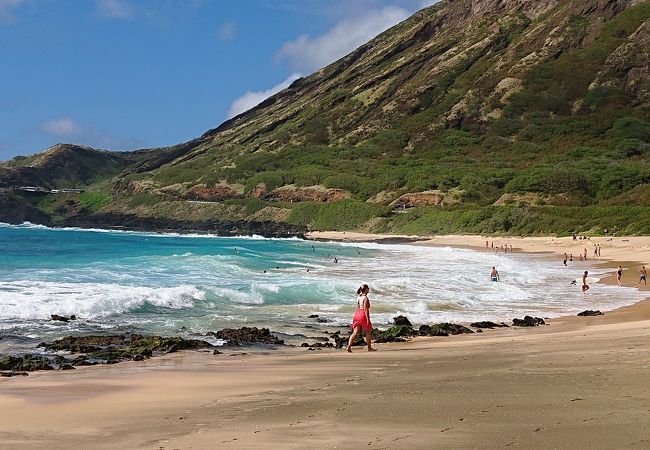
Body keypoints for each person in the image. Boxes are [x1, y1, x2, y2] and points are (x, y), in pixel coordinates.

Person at [347, 284, 375, 352]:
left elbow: (358, 307)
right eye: (368, 288)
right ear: (366, 289)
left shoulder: (359, 297)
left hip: (357, 314)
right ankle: (369, 348)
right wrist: (368, 318)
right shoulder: (365, 298)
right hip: (362, 314)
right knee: (368, 331)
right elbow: (365, 309)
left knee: (355, 332)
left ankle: (349, 346)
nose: (368, 290)